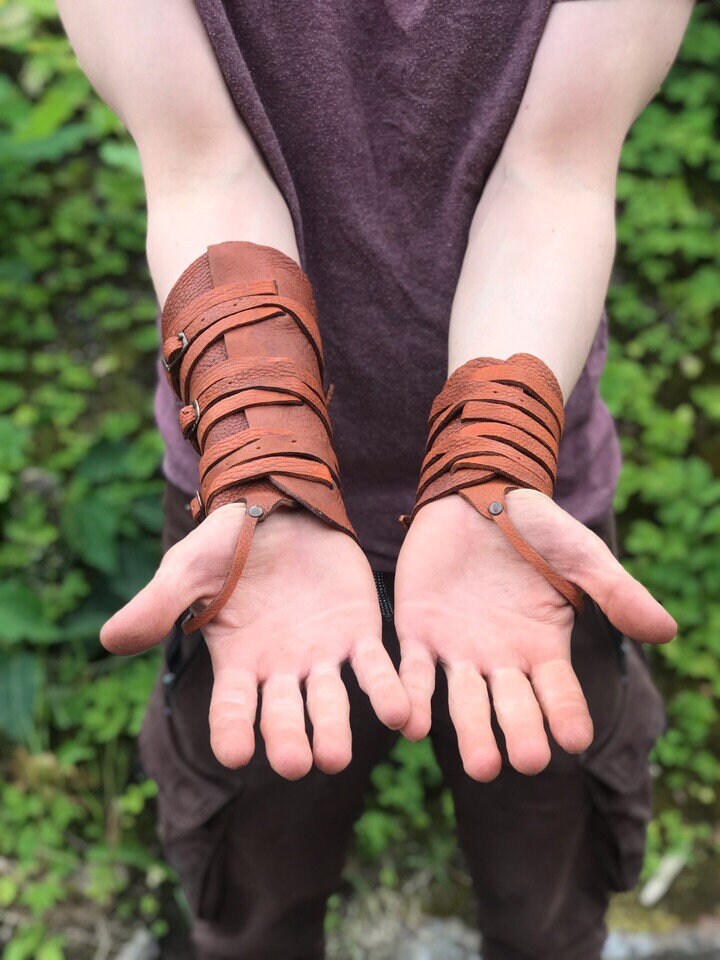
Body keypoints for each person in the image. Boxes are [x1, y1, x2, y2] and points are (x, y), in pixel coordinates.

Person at [56, 1, 698, 957]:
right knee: (253, 907)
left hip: (526, 526)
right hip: (244, 535)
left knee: (550, 907)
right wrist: (265, 466)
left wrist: (490, 460)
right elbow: (200, 163)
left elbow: (554, 171)